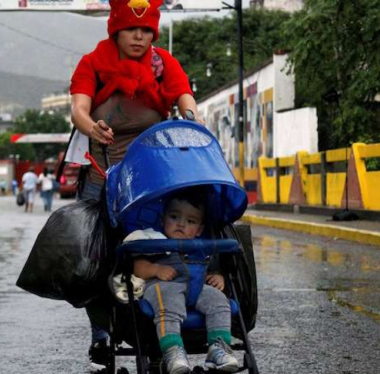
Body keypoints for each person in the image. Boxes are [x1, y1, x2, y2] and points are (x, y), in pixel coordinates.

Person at [68, 0, 202, 370]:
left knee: (156, 250)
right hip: (102, 176)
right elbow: (79, 108)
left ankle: (162, 323)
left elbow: (184, 97)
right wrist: (90, 126)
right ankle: (101, 332)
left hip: (152, 178)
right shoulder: (92, 63)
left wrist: (193, 119)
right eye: (131, 30)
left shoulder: (163, 64)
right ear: (116, 30)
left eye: (146, 31)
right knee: (93, 258)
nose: (139, 37)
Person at [129, 189, 238, 373]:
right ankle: (173, 351)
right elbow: (138, 267)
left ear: (199, 230)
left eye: (190, 221)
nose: (181, 224)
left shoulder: (201, 247)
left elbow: (213, 267)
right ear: (162, 219)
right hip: (162, 288)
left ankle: (218, 348)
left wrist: (218, 276)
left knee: (219, 300)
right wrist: (155, 269)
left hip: (195, 288)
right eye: (174, 216)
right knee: (169, 301)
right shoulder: (154, 240)